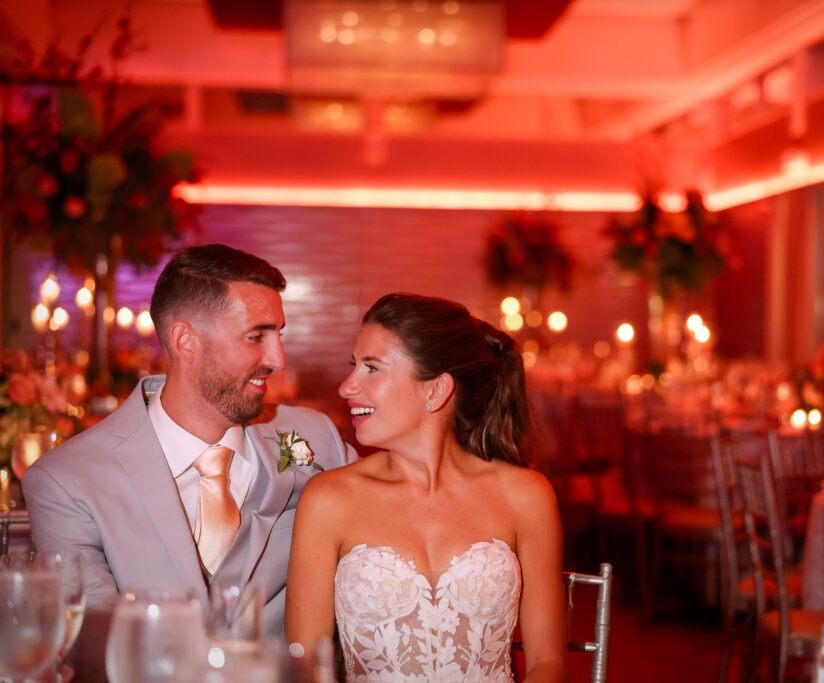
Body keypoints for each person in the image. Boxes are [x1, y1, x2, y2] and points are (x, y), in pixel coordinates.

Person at [22, 244, 358, 680]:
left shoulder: (318, 440)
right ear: (186, 341)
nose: (278, 359)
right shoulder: (67, 480)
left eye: (279, 334)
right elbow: (96, 648)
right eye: (256, 336)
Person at [285, 293, 567, 682]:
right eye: (354, 367)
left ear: (435, 390)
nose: (346, 387)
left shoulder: (527, 496)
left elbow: (546, 664)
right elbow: (305, 667)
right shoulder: (328, 500)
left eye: (371, 368)